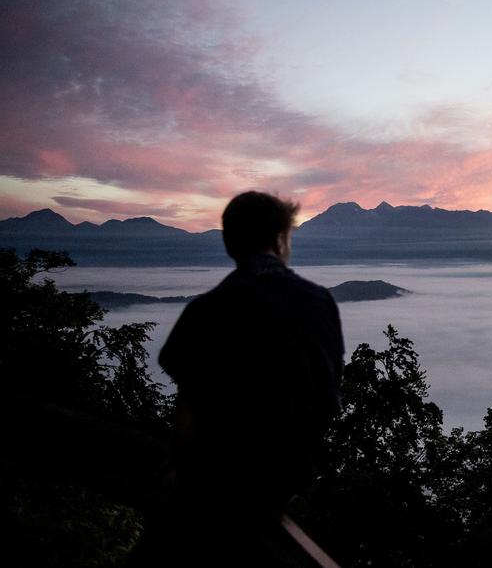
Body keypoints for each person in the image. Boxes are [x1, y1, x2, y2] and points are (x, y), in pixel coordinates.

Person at [135, 191, 344, 565]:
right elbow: (326, 402)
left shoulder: (205, 311)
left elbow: (187, 417)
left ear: (229, 242)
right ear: (281, 239)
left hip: (211, 484)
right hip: (282, 481)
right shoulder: (319, 303)